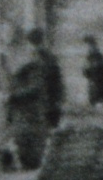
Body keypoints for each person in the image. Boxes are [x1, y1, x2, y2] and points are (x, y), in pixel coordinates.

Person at [5, 29, 65, 170]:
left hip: (35, 115)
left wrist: (12, 97)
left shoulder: (36, 62)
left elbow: (36, 88)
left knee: (28, 147)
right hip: (47, 109)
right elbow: (55, 85)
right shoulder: (49, 58)